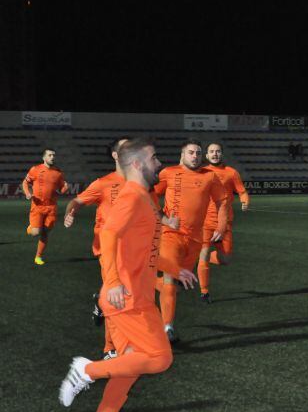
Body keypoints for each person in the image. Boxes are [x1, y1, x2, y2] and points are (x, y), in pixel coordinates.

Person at [57, 137, 197, 412]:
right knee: (161, 359)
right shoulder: (133, 196)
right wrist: (114, 281)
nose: (159, 162)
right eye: (153, 158)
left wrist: (173, 269)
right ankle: (86, 370)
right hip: (128, 298)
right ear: (137, 164)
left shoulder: (146, 198)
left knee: (130, 368)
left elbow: (144, 250)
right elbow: (108, 234)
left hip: (135, 295)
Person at [64, 137, 180, 359]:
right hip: (108, 248)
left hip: (136, 250)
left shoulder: (143, 184)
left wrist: (167, 222)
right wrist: (70, 212)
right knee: (118, 297)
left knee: (130, 299)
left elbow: (154, 212)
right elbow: (77, 201)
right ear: (116, 156)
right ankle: (110, 349)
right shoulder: (103, 183)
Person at [154, 139, 228, 343]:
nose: (194, 156)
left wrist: (221, 226)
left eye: (197, 153)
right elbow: (149, 195)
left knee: (177, 285)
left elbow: (222, 201)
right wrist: (163, 218)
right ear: (182, 155)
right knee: (170, 278)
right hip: (170, 235)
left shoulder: (210, 176)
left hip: (195, 240)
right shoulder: (168, 173)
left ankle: (149, 282)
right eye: (190, 152)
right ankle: (167, 328)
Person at [197, 142, 250, 303]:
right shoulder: (201, 172)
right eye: (211, 151)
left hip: (225, 222)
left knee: (226, 259)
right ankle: (204, 292)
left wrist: (245, 201)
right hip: (205, 222)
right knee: (204, 253)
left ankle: (201, 259)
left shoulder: (231, 173)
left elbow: (242, 191)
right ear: (206, 155)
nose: (215, 154)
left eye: (218, 151)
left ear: (222, 154)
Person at [22, 148, 68, 265]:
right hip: (37, 206)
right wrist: (28, 193)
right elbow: (25, 182)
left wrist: (64, 189)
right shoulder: (35, 169)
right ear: (44, 157)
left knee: (46, 232)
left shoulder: (58, 172)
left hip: (51, 207)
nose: (52, 157)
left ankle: (38, 257)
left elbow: (62, 188)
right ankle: (30, 229)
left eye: (53, 155)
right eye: (50, 155)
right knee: (36, 232)